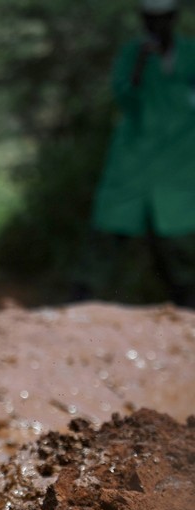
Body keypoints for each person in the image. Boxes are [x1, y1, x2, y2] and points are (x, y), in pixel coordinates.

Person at [88, 0, 195, 307]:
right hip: (134, 161)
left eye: (162, 19)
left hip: (180, 163)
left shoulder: (190, 54)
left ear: (174, 18)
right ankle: (81, 303)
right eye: (150, 19)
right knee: (108, 232)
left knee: (178, 243)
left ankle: (185, 310)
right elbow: (124, 96)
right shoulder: (133, 54)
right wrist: (141, 63)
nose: (156, 27)